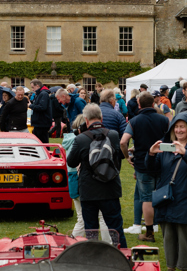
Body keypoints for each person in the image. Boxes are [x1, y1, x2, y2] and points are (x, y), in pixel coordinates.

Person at [146, 111, 187, 271]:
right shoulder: (166, 147)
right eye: (176, 127)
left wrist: (185, 153)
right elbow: (152, 170)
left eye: (182, 127)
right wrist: (151, 155)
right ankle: (170, 269)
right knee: (168, 236)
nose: (179, 130)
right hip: (167, 198)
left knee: (184, 236)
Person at [65, 103, 126, 247]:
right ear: (101, 118)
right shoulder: (113, 135)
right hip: (110, 187)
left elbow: (71, 162)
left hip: (89, 188)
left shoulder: (81, 139)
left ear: (86, 120)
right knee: (116, 228)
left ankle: (94, 259)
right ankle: (123, 256)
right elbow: (118, 159)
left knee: (91, 230)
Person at [121, 91, 170, 241]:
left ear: (139, 104)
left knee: (147, 198)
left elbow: (123, 142)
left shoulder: (134, 121)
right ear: (154, 103)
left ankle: (149, 233)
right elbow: (170, 140)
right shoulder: (164, 120)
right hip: (162, 161)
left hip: (143, 163)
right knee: (163, 195)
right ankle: (166, 230)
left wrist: (127, 156)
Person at [64, 116, 111, 239]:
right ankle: (108, 244)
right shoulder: (83, 140)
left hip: (72, 178)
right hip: (83, 179)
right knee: (98, 216)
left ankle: (73, 242)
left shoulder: (68, 140)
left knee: (82, 217)